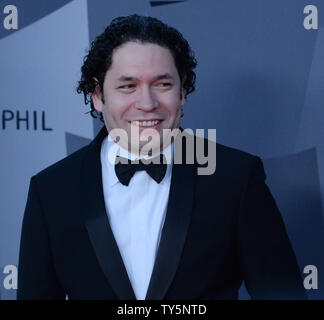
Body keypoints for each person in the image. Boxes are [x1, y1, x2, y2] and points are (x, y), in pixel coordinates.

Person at [17, 14, 306, 300]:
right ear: (97, 95)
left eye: (162, 84)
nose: (147, 103)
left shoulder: (235, 177)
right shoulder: (52, 190)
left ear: (182, 90)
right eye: (127, 86)